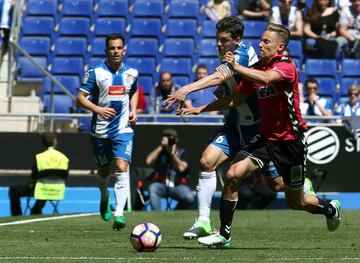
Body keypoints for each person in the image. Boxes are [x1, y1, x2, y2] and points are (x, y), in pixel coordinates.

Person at [179, 23, 341, 248]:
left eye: (266, 41)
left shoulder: (286, 66)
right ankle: (224, 235)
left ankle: (330, 208)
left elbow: (266, 79)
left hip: (290, 142)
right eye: (261, 40)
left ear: (279, 47)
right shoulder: (256, 68)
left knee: (297, 202)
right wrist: (202, 108)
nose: (260, 44)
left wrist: (236, 65)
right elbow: (237, 99)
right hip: (264, 139)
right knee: (233, 174)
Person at [165, 16, 260, 240]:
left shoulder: (244, 54)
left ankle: (307, 190)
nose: (218, 44)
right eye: (217, 40)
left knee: (279, 187)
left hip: (258, 129)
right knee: (207, 161)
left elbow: (220, 77)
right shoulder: (230, 56)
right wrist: (211, 101)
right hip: (233, 125)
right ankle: (203, 221)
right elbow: (230, 91)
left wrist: (187, 90)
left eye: (224, 40)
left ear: (237, 40)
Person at [77, 34, 139, 230]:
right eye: (112, 48)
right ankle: (104, 197)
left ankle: (119, 213)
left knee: (122, 167)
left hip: (123, 130)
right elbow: (80, 97)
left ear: (124, 50)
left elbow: (134, 91)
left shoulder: (132, 73)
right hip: (100, 132)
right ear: (106, 51)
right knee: (104, 170)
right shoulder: (95, 73)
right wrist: (98, 109)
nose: (115, 51)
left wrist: (134, 109)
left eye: (119, 48)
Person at [9, 133, 69, 216]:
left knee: (14, 190)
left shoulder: (39, 157)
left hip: (41, 190)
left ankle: (17, 216)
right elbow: (65, 176)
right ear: (55, 142)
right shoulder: (64, 157)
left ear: (43, 143)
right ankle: (36, 210)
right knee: (43, 183)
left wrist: (30, 185)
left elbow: (33, 178)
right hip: (58, 191)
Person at [145, 128, 195, 210]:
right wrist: (161, 147)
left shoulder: (182, 152)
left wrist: (173, 155)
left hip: (178, 185)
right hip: (162, 185)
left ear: (176, 139)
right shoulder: (160, 152)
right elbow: (148, 161)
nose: (169, 140)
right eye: (166, 137)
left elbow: (182, 168)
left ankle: (177, 212)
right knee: (153, 188)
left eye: (171, 138)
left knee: (189, 197)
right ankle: (157, 215)